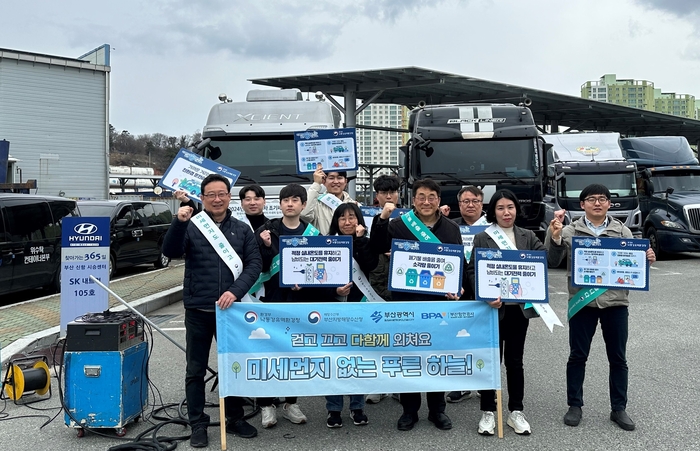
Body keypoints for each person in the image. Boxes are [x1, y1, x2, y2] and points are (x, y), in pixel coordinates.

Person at [162, 174, 262, 448]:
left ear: (229, 197)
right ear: (203, 198)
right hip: (198, 309)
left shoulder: (242, 230)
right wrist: (178, 223)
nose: (217, 199)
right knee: (195, 369)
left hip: (231, 312)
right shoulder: (192, 225)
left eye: (222, 194)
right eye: (211, 195)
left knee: (233, 366)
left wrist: (235, 291)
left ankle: (235, 417)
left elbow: (254, 264)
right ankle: (197, 422)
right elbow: (170, 251)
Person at [545, 183, 656, 431]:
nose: (598, 203)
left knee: (618, 358)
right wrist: (554, 235)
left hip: (615, 303)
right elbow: (552, 260)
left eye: (603, 199)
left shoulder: (622, 231)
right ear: (582, 204)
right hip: (582, 303)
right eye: (592, 199)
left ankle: (619, 408)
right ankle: (574, 405)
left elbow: (635, 270)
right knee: (577, 356)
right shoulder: (570, 230)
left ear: (608, 204)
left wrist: (647, 259)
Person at [371, 178, 465, 431]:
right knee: (409, 357)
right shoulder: (399, 225)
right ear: (413, 200)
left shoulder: (450, 228)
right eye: (421, 196)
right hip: (406, 301)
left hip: (439, 303)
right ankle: (409, 411)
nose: (426, 201)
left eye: (431, 197)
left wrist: (458, 288)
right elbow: (377, 247)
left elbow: (459, 264)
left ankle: (437, 410)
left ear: (438, 200)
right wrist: (382, 219)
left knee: (436, 355)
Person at [466, 188, 559, 436]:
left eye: (510, 207)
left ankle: (516, 411)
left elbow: (547, 261)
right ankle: (488, 411)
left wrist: (556, 238)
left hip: (518, 312)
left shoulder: (528, 236)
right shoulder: (483, 238)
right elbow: (473, 272)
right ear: (493, 212)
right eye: (500, 208)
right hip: (492, 310)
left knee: (515, 362)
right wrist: (486, 296)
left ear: (517, 210)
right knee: (491, 361)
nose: (506, 212)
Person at [253, 183, 322, 429]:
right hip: (272, 301)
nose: (290, 204)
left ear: (304, 205)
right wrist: (262, 245)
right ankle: (266, 404)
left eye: (295, 200)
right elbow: (255, 267)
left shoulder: (314, 234)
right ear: (280, 204)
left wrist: (306, 284)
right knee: (268, 353)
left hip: (301, 303)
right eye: (285, 200)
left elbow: (321, 273)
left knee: (295, 354)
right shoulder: (266, 230)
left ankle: (291, 402)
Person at [324, 203, 377, 427]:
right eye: (342, 218)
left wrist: (361, 240)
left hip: (359, 306)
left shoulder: (365, 241)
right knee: (334, 359)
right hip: (333, 307)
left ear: (359, 221)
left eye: (352, 217)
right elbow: (318, 277)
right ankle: (333, 409)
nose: (347, 222)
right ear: (336, 221)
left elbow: (371, 265)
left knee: (358, 358)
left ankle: (357, 406)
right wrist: (333, 290)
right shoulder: (326, 244)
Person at [446, 185, 488, 404]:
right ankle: (461, 384)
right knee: (459, 338)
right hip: (458, 289)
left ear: (482, 203)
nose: (470, 205)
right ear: (459, 204)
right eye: (465, 202)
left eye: (475, 201)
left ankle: (484, 383)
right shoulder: (450, 226)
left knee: (485, 338)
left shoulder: (493, 228)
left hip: (485, 291)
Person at [365, 175, 400, 405]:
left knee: (399, 336)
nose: (389, 196)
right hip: (375, 280)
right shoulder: (367, 215)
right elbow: (371, 244)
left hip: (400, 282)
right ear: (376, 195)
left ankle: (397, 384)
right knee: (376, 337)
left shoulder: (410, 217)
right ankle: (377, 384)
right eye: (384, 192)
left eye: (392, 191)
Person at [300, 164, 355, 235]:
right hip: (323, 245)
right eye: (331, 178)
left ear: (345, 181)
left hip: (346, 245)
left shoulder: (354, 205)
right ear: (323, 181)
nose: (335, 181)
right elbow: (304, 215)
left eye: (339, 178)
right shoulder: (316, 204)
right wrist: (316, 184)